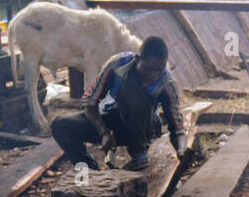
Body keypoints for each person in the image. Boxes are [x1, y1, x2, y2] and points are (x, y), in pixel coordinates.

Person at [50, 35, 186, 173]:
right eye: (148, 69)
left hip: (144, 128)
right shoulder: (117, 64)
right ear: (138, 59)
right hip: (114, 121)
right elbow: (89, 100)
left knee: (131, 87)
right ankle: (89, 171)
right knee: (60, 125)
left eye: (160, 70)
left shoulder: (167, 83)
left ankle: (139, 153)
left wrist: (182, 150)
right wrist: (103, 131)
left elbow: (177, 128)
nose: (154, 76)